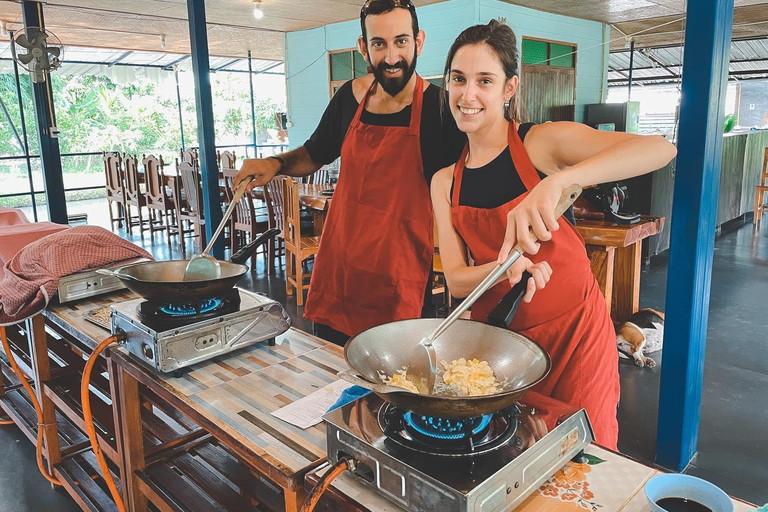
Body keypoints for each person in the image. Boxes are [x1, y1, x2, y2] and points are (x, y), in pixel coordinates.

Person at [431, 20, 677, 449]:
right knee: (514, 456)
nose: (467, 95)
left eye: (484, 81)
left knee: (586, 454)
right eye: (458, 79)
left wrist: (559, 182)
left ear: (509, 89)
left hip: (577, 336)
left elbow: (660, 148)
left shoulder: (538, 145)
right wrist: (505, 269)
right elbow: (455, 278)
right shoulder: (443, 182)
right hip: (505, 347)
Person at [235, 0, 467, 345]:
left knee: (392, 385)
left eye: (401, 42)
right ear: (363, 48)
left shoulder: (442, 110)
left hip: (398, 278)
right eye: (379, 44)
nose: (390, 58)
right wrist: (277, 163)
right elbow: (315, 153)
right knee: (329, 377)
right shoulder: (350, 98)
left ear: (418, 41)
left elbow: (465, 190)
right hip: (340, 270)